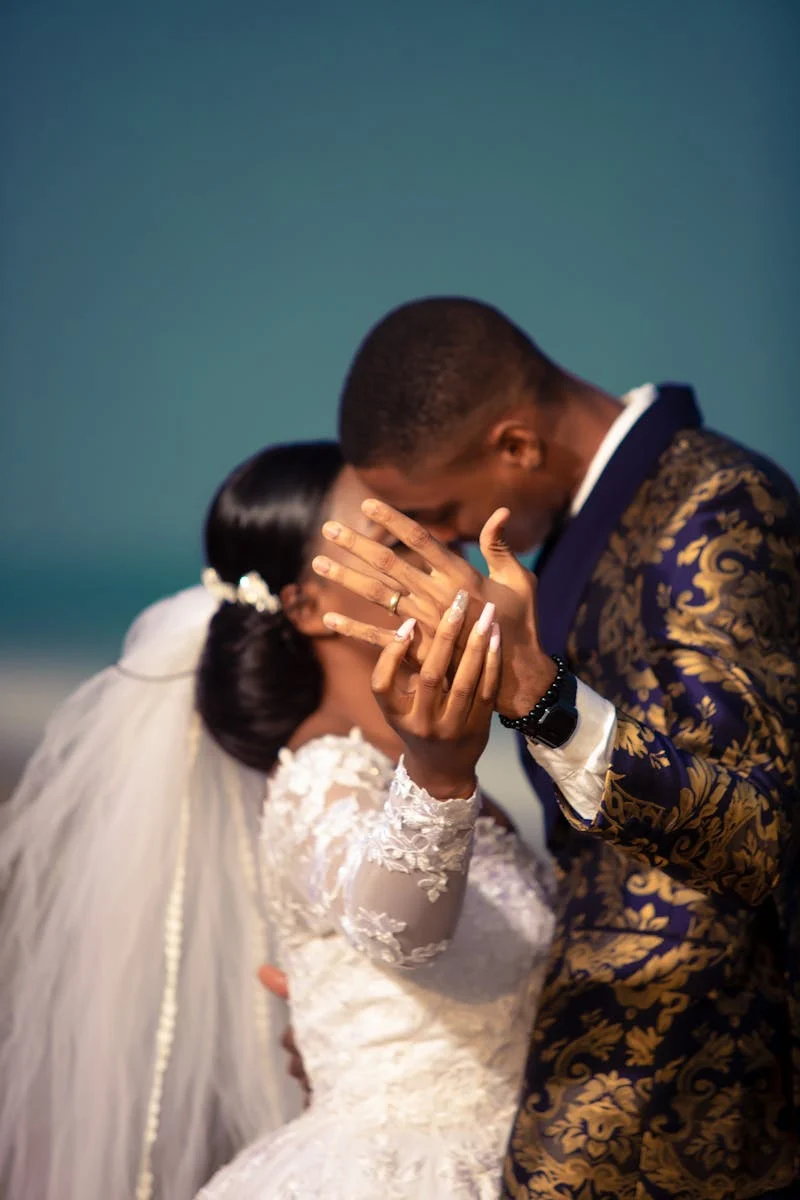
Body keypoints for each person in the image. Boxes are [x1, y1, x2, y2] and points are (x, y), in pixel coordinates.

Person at [314, 296, 800, 1199]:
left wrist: (539, 695)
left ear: (516, 447)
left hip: (696, 1105)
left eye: (443, 509)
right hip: (608, 1090)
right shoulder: (586, 528)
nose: (451, 538)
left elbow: (758, 836)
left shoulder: (717, 506)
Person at [1, 439, 555, 1200]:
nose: (444, 555)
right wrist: (440, 772)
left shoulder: (417, 770)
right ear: (307, 605)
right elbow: (401, 929)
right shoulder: (322, 778)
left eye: (432, 528)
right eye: (398, 542)